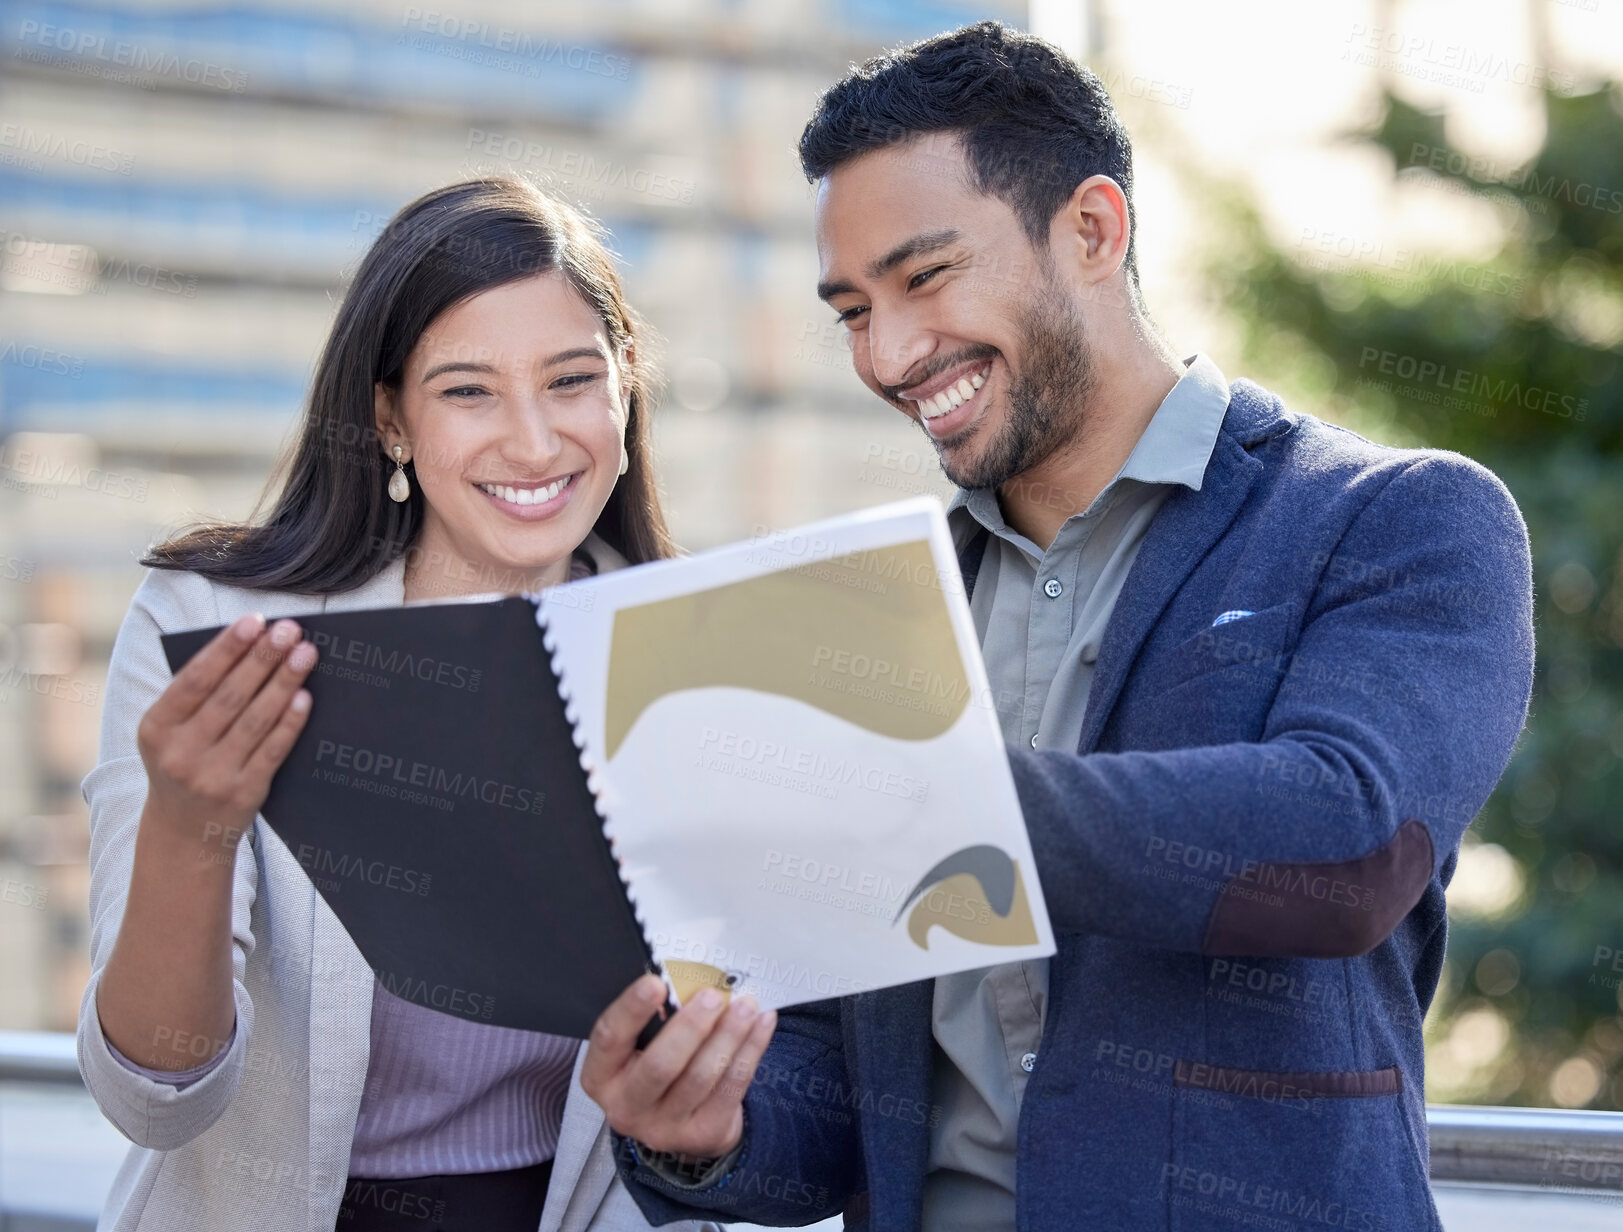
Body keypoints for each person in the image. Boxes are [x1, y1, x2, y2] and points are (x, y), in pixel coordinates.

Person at [581, 22, 1535, 1232]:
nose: (889, 352)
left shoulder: (1396, 519)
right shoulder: (859, 614)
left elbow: (1344, 848)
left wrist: (921, 795)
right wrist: (709, 1129)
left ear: (1092, 228)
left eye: (925, 278)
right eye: (851, 309)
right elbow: (843, 1095)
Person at [77, 177, 716, 1232]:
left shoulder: (696, 656)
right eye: (469, 391)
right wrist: (192, 826)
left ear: (625, 388)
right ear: (391, 418)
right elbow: (151, 1093)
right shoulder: (212, 625)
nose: (533, 442)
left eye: (570, 381)